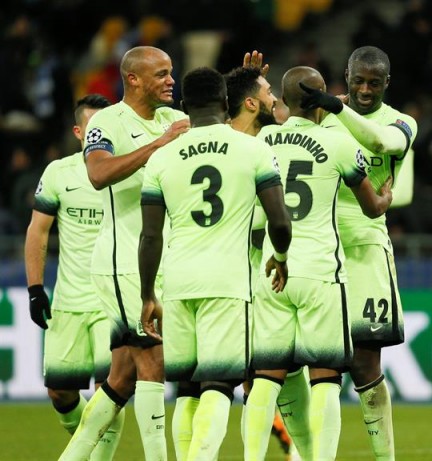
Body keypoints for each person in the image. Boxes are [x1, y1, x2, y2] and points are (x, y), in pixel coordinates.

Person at [138, 65, 292, 460]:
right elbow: (279, 220)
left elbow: (150, 236)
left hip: (177, 282)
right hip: (226, 283)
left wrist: (147, 295)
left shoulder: (161, 158)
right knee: (219, 386)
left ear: (185, 107)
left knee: (187, 390)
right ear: (227, 103)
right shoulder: (255, 149)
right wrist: (280, 257)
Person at [243, 65, 393, 461]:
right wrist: (386, 196)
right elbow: (372, 207)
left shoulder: (260, 139)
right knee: (326, 378)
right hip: (320, 270)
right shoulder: (338, 143)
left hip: (273, 268)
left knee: (266, 378)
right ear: (325, 97)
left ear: (284, 100)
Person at [58, 46, 190, 461]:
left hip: (164, 260)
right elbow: (98, 174)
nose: (171, 80)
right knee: (154, 363)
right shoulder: (109, 121)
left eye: (172, 73)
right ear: (133, 79)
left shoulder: (176, 119)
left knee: (122, 378)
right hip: (124, 263)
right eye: (162, 74)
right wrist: (160, 144)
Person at [300, 45, 418, 460]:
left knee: (366, 367)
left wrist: (337, 108)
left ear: (388, 83)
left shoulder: (401, 122)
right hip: (318, 249)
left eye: (374, 82)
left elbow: (378, 140)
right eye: (358, 81)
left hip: (367, 249)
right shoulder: (320, 115)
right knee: (320, 367)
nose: (365, 90)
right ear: (346, 76)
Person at [25, 94, 124, 460]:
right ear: (78, 131)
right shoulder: (58, 173)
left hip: (111, 303)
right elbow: (38, 231)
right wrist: (36, 288)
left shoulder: (124, 171)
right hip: (68, 302)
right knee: (60, 395)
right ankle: (87, 443)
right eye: (93, 128)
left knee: (108, 392)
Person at [225, 62, 301, 461]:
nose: (277, 98)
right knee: (228, 382)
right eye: (269, 92)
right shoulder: (231, 146)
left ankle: (290, 444)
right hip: (228, 277)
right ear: (253, 103)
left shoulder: (269, 141)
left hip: (259, 273)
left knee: (259, 378)